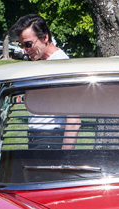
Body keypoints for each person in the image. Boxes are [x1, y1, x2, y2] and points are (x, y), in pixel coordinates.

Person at [9, 14, 79, 149]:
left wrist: (64, 157)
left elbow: (74, 121)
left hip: (50, 141)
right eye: (22, 45)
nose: (25, 51)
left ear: (45, 37)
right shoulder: (45, 64)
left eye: (28, 44)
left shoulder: (60, 66)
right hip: (39, 139)